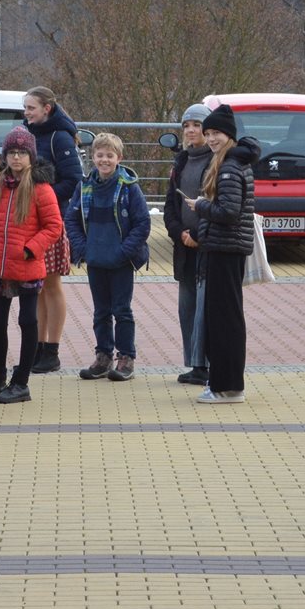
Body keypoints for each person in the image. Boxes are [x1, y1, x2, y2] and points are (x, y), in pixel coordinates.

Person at [0, 126, 64, 404]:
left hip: (27, 265)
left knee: (27, 321)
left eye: (22, 153)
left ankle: (21, 382)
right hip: (1, 266)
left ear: (31, 156)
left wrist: (30, 249)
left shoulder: (41, 188)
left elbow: (53, 226)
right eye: (12, 152)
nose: (16, 158)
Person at [64, 131, 150, 381]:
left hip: (121, 261)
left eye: (109, 156)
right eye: (100, 155)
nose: (104, 160)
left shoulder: (129, 188)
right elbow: (71, 219)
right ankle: (103, 356)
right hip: (95, 259)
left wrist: (124, 251)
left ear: (119, 158)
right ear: (93, 157)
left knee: (122, 310)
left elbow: (142, 223)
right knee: (100, 311)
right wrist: (83, 248)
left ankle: (126, 357)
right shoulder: (85, 186)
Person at [189, 104, 258, 404]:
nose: (211, 139)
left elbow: (229, 212)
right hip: (225, 248)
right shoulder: (233, 162)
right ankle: (225, 384)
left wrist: (201, 206)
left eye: (216, 133)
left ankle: (226, 387)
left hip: (225, 249)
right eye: (208, 133)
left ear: (229, 135)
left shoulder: (229, 167)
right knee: (226, 318)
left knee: (224, 321)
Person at [23, 87, 83, 374]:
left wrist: (43, 201)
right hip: (28, 221)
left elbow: (73, 179)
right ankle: (37, 348)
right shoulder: (28, 133)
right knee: (35, 287)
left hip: (51, 220)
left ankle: (52, 349)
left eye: (31, 108)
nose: (26, 113)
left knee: (51, 284)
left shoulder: (60, 137)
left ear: (46, 108)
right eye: (25, 108)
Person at [162, 103, 214, 387]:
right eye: (186, 125)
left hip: (207, 246)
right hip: (184, 245)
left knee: (206, 308)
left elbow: (216, 205)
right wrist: (178, 232)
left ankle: (209, 363)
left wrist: (197, 234)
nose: (191, 130)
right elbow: (171, 202)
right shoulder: (181, 161)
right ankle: (195, 364)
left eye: (197, 125)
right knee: (187, 308)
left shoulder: (216, 161)